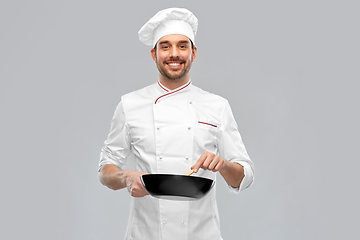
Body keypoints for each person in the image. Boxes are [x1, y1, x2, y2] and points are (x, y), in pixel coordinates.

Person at [98, 7, 254, 240]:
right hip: (145, 235)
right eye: (165, 46)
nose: (174, 54)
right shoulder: (130, 104)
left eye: (182, 46)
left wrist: (222, 165)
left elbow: (244, 176)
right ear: (154, 54)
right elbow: (105, 169)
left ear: (194, 52)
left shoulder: (217, 106)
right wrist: (126, 177)